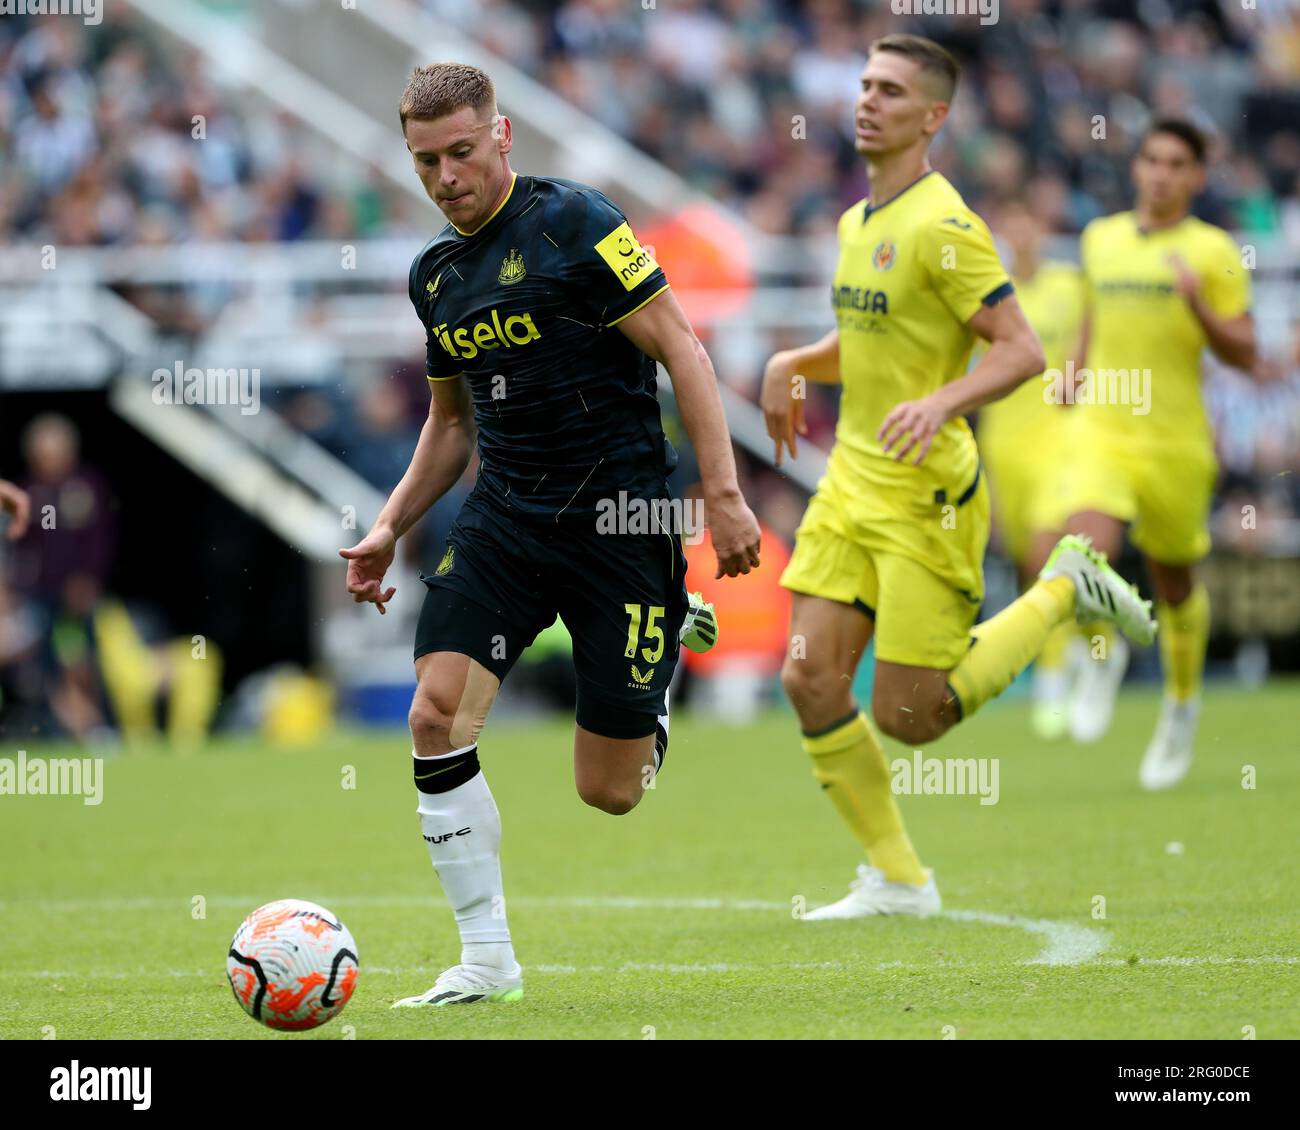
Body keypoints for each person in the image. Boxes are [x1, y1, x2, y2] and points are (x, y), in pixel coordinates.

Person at [339, 63, 760, 1005]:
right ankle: (486, 959)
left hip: (620, 521)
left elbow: (683, 349)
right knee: (434, 715)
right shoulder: (434, 278)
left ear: (502, 136)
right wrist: (388, 526)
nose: (446, 177)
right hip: (507, 521)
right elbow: (452, 427)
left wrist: (723, 495)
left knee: (607, 791)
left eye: (460, 152)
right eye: (424, 161)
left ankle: (653, 687)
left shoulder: (576, 223)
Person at [761, 35, 1155, 920]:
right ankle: (900, 878)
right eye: (864, 84)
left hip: (927, 498)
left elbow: (1022, 352)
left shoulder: (946, 228)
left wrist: (944, 406)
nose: (868, 101)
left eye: (891, 92)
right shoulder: (855, 223)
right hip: (851, 485)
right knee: (809, 676)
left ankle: (1063, 588)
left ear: (932, 117)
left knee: (913, 715)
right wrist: (794, 359)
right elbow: (867, 347)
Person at [1050, 119, 1256, 789]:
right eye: (1152, 160)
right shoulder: (1099, 239)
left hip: (1175, 442)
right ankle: (1100, 654)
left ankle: (1181, 704)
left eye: (1177, 164)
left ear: (1195, 177)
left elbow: (1247, 353)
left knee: (1175, 585)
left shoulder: (1214, 250)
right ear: (1136, 167)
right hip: (1102, 430)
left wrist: (1199, 305)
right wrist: (1072, 374)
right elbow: (1090, 321)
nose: (1162, 173)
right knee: (1083, 549)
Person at [977, 200, 1087, 740]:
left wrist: (1084, 383)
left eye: (1029, 221)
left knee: (1050, 554)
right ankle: (1092, 650)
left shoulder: (1071, 285)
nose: (1021, 233)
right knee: (1030, 565)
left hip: (1060, 443)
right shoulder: (992, 294)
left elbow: (1096, 336)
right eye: (1011, 223)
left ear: (1042, 227)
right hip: (1004, 448)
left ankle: (1051, 681)